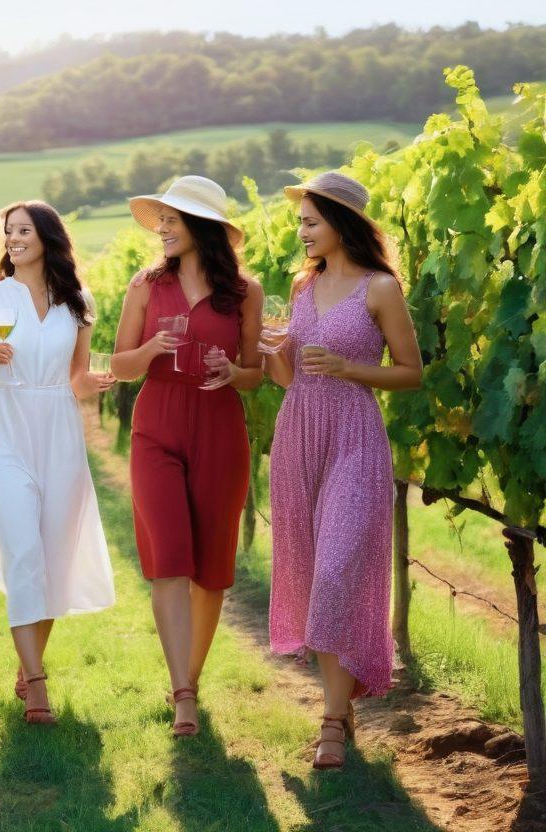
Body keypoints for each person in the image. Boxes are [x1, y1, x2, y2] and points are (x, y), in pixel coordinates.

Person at [263, 171, 422, 769]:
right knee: (309, 572)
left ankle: (331, 719)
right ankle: (338, 703)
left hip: (355, 437)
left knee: (336, 570)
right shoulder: (303, 289)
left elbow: (411, 372)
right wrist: (272, 355)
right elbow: (291, 377)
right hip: (298, 433)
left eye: (310, 222)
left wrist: (351, 368)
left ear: (341, 224)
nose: (301, 233)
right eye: (300, 222)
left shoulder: (380, 288)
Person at [110, 175, 262, 737]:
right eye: (162, 220)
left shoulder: (245, 291)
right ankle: (182, 694)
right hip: (157, 426)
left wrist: (233, 373)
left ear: (203, 227)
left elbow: (255, 376)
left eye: (173, 219)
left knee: (212, 572)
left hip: (219, 428)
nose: (163, 229)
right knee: (169, 557)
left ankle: (191, 678)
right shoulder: (146, 284)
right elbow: (121, 365)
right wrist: (151, 349)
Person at [0, 201, 116, 724]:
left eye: (24, 231)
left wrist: (99, 382)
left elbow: (76, 378)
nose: (14, 240)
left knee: (53, 556)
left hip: (60, 430)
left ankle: (29, 663)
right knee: (24, 549)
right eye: (9, 233)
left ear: (47, 236)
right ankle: (39, 685)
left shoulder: (78, 303)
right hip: (3, 429)